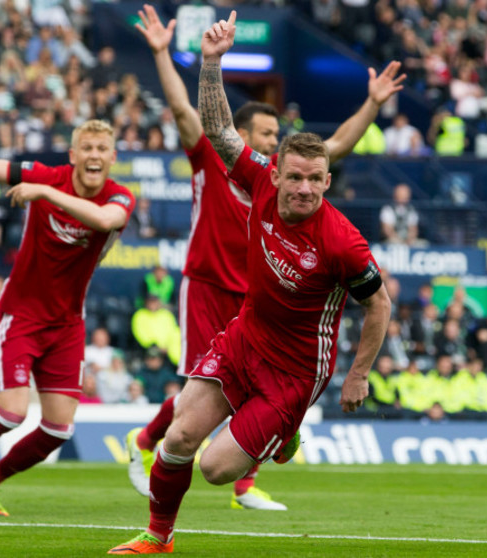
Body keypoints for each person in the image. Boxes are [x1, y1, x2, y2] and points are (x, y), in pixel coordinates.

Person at [108, 11, 392, 554]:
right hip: (244, 336)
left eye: (315, 180)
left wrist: (358, 376)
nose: (304, 190)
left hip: (294, 371)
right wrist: (212, 61)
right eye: (295, 177)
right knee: (179, 440)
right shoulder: (257, 179)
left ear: (327, 181)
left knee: (216, 469)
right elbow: (215, 129)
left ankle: (282, 432)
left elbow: (377, 306)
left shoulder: (342, 243)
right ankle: (157, 537)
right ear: (276, 170)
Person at [0, 119, 135, 516]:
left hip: (67, 323)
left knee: (58, 428)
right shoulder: (47, 176)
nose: (94, 156)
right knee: (11, 413)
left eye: (102, 150)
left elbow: (106, 221)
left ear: (112, 158)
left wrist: (45, 194)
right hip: (20, 315)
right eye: (86, 148)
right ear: (73, 155)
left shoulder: (118, 197)